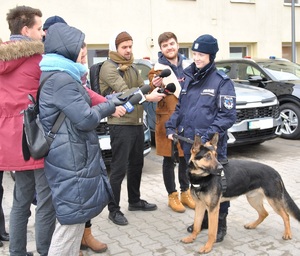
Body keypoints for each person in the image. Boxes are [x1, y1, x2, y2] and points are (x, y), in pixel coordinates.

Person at [39, 22, 125, 255]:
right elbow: (86, 119)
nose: (81, 51)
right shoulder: (62, 79)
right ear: (65, 48)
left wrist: (109, 103)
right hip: (70, 158)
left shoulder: (60, 74)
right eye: (78, 47)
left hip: (70, 153)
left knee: (74, 220)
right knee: (69, 225)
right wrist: (108, 107)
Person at [165, 34, 237, 243]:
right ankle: (204, 220)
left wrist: (207, 137)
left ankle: (220, 223)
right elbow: (181, 107)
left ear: (211, 56)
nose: (196, 58)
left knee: (217, 187)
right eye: (194, 54)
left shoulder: (222, 82)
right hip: (191, 146)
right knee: (197, 185)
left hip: (211, 150)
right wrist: (171, 125)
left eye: (201, 55)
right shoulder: (189, 78)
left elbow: (227, 115)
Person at [0, 6, 56, 256]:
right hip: (35, 138)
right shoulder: (38, 60)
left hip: (10, 142)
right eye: (38, 28)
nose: (43, 33)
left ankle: (17, 253)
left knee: (20, 201)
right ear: (25, 30)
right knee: (45, 202)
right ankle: (45, 251)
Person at [99, 31, 165, 226]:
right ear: (116, 48)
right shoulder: (108, 68)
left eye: (130, 46)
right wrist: (146, 96)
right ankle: (113, 209)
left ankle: (134, 201)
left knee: (137, 165)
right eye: (124, 47)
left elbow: (140, 88)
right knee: (118, 169)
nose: (128, 50)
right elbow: (126, 93)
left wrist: (151, 85)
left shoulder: (133, 67)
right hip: (120, 125)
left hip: (136, 123)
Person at [148, 32, 195, 213]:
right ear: (161, 49)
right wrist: (154, 84)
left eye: (172, 44)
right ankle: (172, 195)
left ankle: (186, 192)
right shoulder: (157, 69)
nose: (169, 47)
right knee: (169, 159)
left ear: (177, 45)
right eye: (165, 45)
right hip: (166, 118)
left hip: (186, 118)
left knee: (185, 157)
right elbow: (153, 89)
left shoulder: (189, 66)